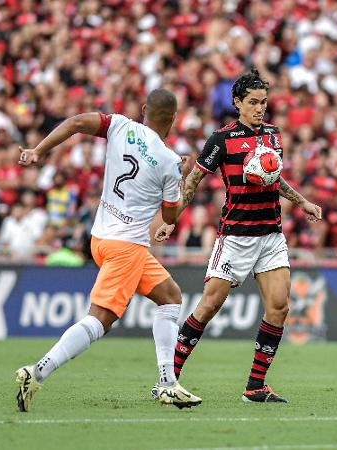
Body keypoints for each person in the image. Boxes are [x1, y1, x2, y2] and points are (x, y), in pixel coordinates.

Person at [15, 88, 202, 411]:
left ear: (144, 108)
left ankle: (167, 383)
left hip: (101, 237)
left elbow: (74, 123)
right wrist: (180, 177)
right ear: (173, 119)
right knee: (101, 320)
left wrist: (39, 150)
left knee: (170, 296)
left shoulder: (118, 125)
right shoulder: (169, 160)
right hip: (127, 246)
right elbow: (170, 216)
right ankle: (37, 371)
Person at [154, 69, 322, 403]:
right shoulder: (222, 140)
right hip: (236, 237)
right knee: (209, 306)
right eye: (254, 102)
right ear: (238, 103)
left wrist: (301, 201)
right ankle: (167, 379)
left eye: (264, 102)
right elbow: (192, 181)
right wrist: (172, 220)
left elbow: (275, 179)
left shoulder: (273, 135)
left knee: (279, 306)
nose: (261, 108)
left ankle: (255, 386)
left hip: (271, 235)